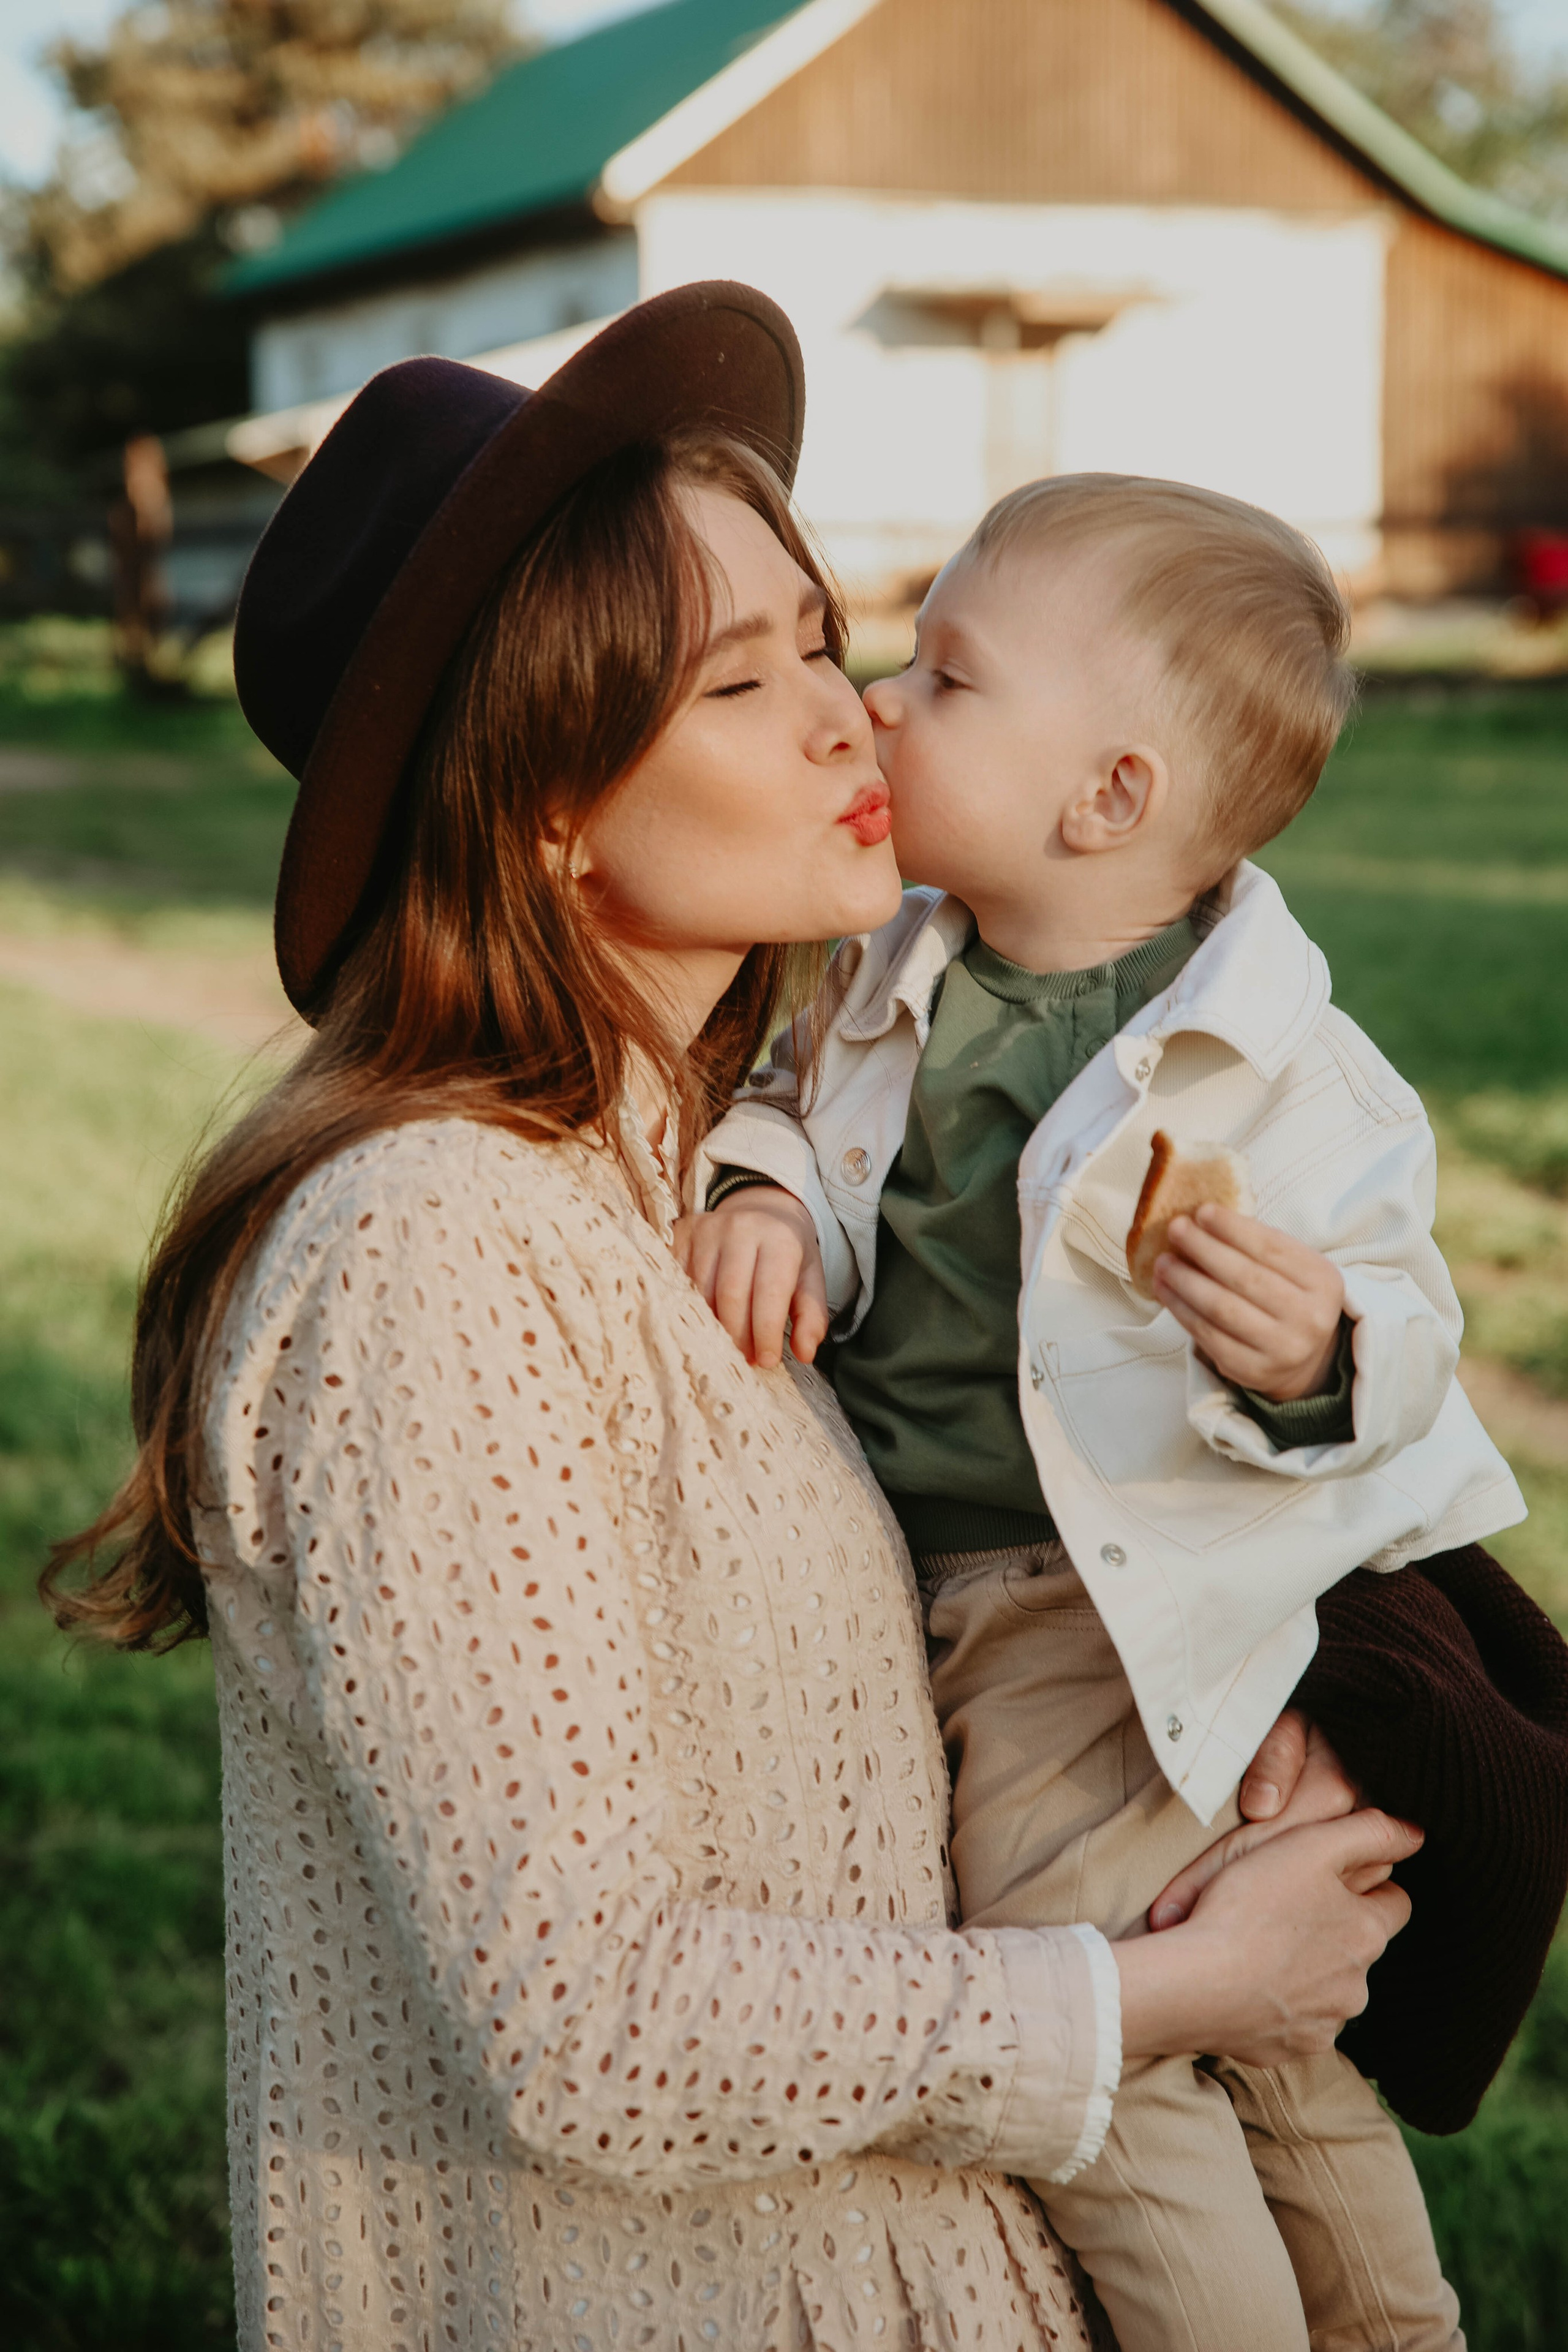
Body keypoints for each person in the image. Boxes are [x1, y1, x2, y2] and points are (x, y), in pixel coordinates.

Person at [43, 292, 1419, 2352]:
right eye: (739, 681)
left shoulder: (715, 1176)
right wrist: (1168, 1995)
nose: (851, 720)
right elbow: (588, 2024)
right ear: (543, 804)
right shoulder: (435, 1248)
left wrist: (1207, 1726)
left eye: (826, 641)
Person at [685, 474, 1528, 2351]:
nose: (880, 699)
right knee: (1247, 2014)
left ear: (1110, 797)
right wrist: (764, 1196)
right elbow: (797, 1111)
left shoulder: (1284, 1068)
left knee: (1125, 2025)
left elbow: (1409, 1330)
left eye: (948, 676)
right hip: (1008, 1597)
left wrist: (1313, 1348)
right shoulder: (890, 968)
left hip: (1118, 1598)